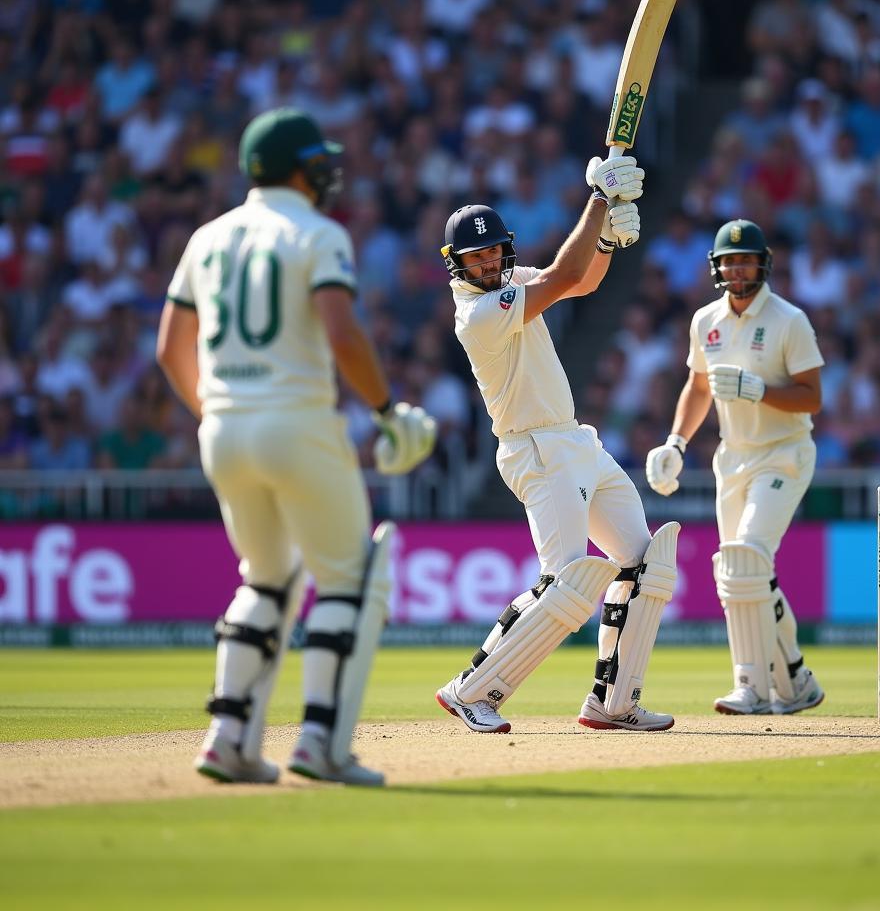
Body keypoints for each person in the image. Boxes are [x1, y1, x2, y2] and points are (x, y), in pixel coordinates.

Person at [156, 107, 437, 785]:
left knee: (265, 575)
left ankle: (227, 737)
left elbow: (170, 348)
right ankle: (318, 740)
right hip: (299, 422)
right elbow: (342, 335)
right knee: (343, 578)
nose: (328, 172)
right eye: (320, 161)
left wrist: (219, 410)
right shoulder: (318, 233)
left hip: (222, 428)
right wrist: (385, 410)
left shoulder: (207, 237)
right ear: (301, 167)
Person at [434, 153, 680, 734]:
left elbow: (583, 278)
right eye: (477, 255)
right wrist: (598, 201)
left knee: (647, 564)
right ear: (457, 264)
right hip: (535, 451)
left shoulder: (512, 282)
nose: (490, 261)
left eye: (495, 250)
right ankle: (471, 691)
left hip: (577, 443)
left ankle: (613, 702)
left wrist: (608, 240)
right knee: (566, 583)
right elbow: (564, 279)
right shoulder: (477, 316)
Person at [645, 219, 826, 715]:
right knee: (738, 571)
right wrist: (676, 443)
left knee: (746, 555)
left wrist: (762, 390)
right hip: (733, 457)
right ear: (717, 266)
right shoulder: (706, 320)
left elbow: (813, 398)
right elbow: (699, 387)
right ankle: (796, 677)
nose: (737, 267)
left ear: (762, 263)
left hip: (784, 452)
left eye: (745, 259)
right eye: (729, 260)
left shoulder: (789, 320)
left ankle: (750, 686)